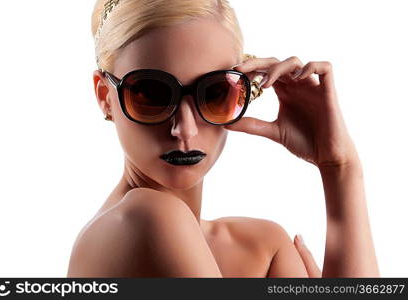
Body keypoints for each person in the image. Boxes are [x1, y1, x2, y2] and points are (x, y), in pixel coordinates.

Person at [67, 0, 379, 277]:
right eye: (151, 94)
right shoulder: (145, 217)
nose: (184, 129)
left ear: (242, 92)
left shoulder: (263, 247)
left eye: (215, 92)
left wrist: (339, 167)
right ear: (105, 96)